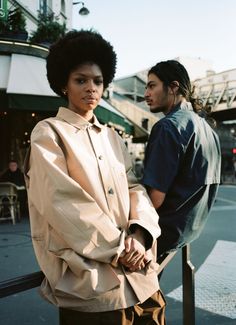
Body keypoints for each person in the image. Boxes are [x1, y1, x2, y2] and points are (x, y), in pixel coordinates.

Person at [24, 30, 166, 325]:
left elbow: (134, 188)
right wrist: (119, 249)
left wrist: (139, 235)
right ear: (63, 84)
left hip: (142, 280)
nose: (91, 88)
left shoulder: (113, 136)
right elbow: (63, 203)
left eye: (98, 81)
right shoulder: (48, 133)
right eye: (81, 80)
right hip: (93, 288)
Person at [142, 60, 221, 262]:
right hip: (190, 228)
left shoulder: (167, 128)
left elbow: (154, 200)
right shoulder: (208, 130)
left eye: (152, 86)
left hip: (162, 232)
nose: (145, 94)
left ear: (173, 87)